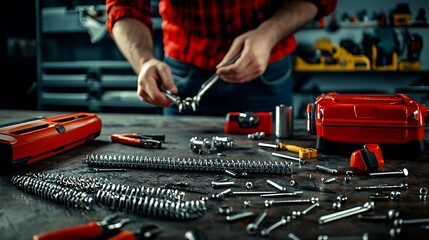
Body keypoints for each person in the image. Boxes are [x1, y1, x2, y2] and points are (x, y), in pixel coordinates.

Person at [106, 0, 337, 116]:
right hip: (180, 76)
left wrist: (269, 34)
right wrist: (144, 61)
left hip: (267, 67)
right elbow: (124, 5)